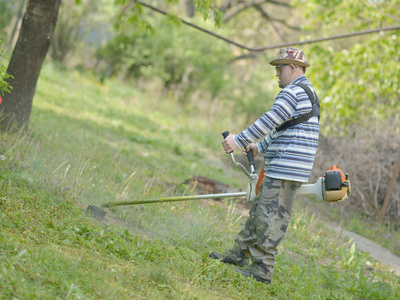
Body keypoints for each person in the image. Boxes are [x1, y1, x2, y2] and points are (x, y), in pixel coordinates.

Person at [210, 47, 320, 284]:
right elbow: (283, 127)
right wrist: (258, 147)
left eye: (280, 69)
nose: (277, 74)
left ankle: (261, 271)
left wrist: (239, 139)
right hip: (287, 166)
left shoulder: (292, 92)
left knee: (269, 219)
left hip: (285, 167)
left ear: (293, 67)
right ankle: (239, 255)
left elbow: (270, 119)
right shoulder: (306, 92)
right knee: (259, 212)